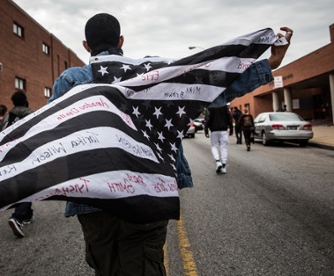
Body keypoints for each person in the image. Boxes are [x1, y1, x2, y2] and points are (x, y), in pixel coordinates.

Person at [49, 13, 293, 275]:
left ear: (86, 45)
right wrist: (270, 63)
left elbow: (51, 133)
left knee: (105, 268)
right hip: (146, 195)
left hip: (93, 198)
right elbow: (211, 90)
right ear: (121, 40)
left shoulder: (71, 80)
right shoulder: (154, 74)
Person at [2, 90, 36, 238]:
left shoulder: (7, 117)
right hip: (27, 154)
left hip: (9, 155)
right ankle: (18, 216)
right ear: (26, 100)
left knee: (20, 184)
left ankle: (27, 214)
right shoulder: (32, 114)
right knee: (29, 185)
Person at [204, 105, 234, 174]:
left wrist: (206, 129)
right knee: (224, 147)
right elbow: (229, 117)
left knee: (214, 146)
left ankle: (218, 162)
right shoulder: (224, 106)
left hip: (214, 130)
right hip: (223, 130)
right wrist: (231, 128)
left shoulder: (210, 106)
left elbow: (207, 118)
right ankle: (223, 166)